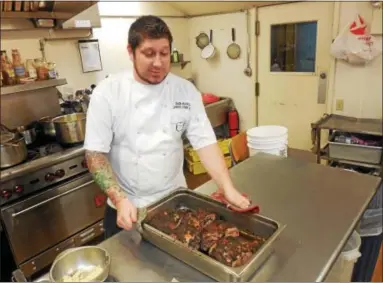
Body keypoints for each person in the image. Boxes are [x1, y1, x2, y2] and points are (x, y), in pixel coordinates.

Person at [84, 15, 250, 239]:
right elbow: (95, 154)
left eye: (164, 53)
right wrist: (119, 198)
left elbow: (205, 143)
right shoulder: (108, 93)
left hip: (175, 202)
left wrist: (227, 188)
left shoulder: (185, 91)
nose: (158, 62)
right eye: (149, 53)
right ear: (131, 52)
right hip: (127, 208)